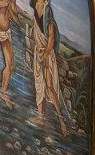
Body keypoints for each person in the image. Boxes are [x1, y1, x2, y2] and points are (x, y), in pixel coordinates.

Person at [29, 0, 67, 136]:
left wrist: (46, 54)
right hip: (38, 53)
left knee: (50, 86)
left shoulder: (48, 13)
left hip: (46, 54)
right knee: (39, 85)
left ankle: (61, 121)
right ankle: (40, 117)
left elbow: (51, 37)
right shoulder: (35, 9)